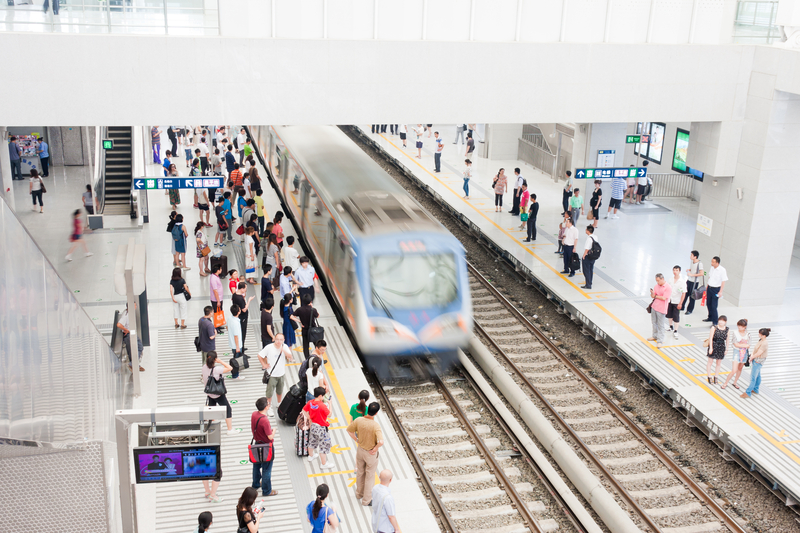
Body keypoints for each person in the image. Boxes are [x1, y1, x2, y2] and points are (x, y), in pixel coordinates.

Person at [347, 402, 384, 505]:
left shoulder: (358, 420)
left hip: (360, 450)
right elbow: (381, 442)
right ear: (376, 413)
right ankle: (367, 500)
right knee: (370, 476)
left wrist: (357, 440)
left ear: (367, 410)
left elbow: (349, 430)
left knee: (360, 472)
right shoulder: (375, 425)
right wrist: (375, 448)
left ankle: (359, 493)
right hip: (370, 453)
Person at [202, 352, 239, 435]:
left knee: (212, 408)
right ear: (215, 359)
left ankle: (214, 423)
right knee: (228, 409)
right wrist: (221, 361)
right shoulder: (216, 369)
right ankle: (229, 429)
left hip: (209, 392)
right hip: (218, 393)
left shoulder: (204, 367)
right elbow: (230, 368)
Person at [258, 333, 295, 415]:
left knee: (280, 390)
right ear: (274, 339)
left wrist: (283, 350)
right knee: (269, 393)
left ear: (283, 340)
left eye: (281, 340)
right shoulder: (269, 347)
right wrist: (264, 365)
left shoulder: (284, 346)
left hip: (281, 374)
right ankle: (269, 407)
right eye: (277, 339)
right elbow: (260, 355)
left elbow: (290, 357)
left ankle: (279, 403)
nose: (279, 341)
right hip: (272, 375)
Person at [251, 397, 278, 497]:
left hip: (257, 444)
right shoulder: (265, 420)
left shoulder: (254, 414)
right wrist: (274, 430)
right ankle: (267, 490)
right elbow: (270, 436)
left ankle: (256, 484)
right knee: (266, 469)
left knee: (256, 465)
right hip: (266, 447)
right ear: (266, 407)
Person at [304, 387, 334, 468]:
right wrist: (330, 404)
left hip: (313, 426)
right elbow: (330, 414)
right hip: (321, 428)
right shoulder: (322, 406)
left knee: (312, 441)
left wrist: (309, 417)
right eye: (323, 396)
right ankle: (324, 464)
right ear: (320, 396)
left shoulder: (310, 402)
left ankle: (311, 456)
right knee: (323, 445)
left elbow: (304, 410)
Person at [741, 328, 770, 398]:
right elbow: (756, 350)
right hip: (757, 359)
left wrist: (751, 357)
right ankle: (756, 389)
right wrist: (752, 356)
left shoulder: (764, 343)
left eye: (760, 334)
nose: (759, 334)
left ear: (764, 335)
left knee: (753, 377)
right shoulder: (761, 340)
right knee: (758, 375)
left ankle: (748, 392)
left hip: (758, 361)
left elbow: (759, 353)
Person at [723, 319, 750, 390]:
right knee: (734, 370)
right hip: (737, 352)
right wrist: (744, 345)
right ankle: (726, 383)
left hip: (744, 353)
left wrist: (740, 345)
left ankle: (735, 382)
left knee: (740, 368)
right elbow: (735, 344)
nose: (739, 327)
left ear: (745, 327)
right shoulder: (735, 333)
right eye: (739, 325)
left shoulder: (748, 334)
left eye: (741, 326)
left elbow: (748, 345)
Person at [117, 304, 145, 372]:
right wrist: (126, 330)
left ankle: (134, 365)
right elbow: (119, 324)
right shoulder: (126, 314)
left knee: (134, 351)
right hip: (129, 335)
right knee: (139, 348)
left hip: (132, 334)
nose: (136, 307)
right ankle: (132, 364)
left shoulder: (129, 313)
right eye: (134, 305)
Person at [293, 294, 320, 360]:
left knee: (305, 346)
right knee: (317, 344)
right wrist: (312, 307)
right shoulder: (313, 310)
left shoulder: (299, 310)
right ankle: (319, 358)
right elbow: (317, 316)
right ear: (311, 301)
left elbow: (292, 316)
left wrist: (300, 321)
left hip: (305, 330)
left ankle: (307, 359)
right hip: (313, 330)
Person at [648, 274, 672, 348]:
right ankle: (654, 336)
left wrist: (655, 296)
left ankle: (660, 340)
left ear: (662, 279)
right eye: (656, 281)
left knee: (660, 325)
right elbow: (653, 295)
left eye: (658, 280)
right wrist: (652, 293)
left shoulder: (668, 287)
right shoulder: (656, 286)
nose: (657, 282)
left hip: (661, 309)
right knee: (654, 322)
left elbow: (664, 298)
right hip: (654, 307)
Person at [706, 315, 731, 385]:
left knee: (719, 363)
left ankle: (716, 376)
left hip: (721, 346)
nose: (720, 322)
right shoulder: (714, 328)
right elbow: (710, 338)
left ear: (725, 322)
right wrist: (711, 348)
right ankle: (709, 376)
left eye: (722, 321)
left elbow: (727, 340)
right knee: (710, 362)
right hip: (714, 344)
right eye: (720, 320)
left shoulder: (727, 329)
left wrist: (727, 349)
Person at [704, 256, 727, 324]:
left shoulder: (722, 270)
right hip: (709, 288)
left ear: (717, 263)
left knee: (714, 306)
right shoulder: (712, 268)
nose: (711, 263)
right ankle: (710, 317)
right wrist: (707, 287)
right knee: (708, 304)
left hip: (716, 289)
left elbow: (723, 281)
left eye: (713, 262)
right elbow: (710, 277)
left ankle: (715, 321)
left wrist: (720, 291)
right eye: (711, 261)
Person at [232, 282, 255, 348]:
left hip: (238, 316)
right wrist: (249, 300)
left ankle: (240, 346)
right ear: (241, 289)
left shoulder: (234, 295)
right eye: (245, 288)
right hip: (242, 317)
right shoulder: (240, 298)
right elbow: (244, 309)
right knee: (243, 332)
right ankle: (241, 347)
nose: (246, 290)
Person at [226, 304, 244, 380]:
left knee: (235, 359)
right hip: (236, 345)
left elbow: (227, 327)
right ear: (238, 312)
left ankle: (236, 373)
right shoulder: (235, 323)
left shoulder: (230, 318)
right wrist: (237, 347)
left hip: (232, 343)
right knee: (236, 361)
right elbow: (236, 336)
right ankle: (236, 375)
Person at [685, 251, 703, 316]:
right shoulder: (692, 262)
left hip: (694, 282)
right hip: (689, 280)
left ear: (695, 257)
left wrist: (692, 274)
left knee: (692, 296)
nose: (690, 256)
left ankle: (689, 310)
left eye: (691, 255)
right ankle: (682, 306)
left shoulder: (699, 264)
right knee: (685, 294)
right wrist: (689, 269)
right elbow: (694, 269)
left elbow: (701, 273)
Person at [581, 225, 597, 290]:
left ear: (588, 231)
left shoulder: (589, 239)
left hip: (588, 256)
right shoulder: (595, 237)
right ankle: (590, 282)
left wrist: (584, 256)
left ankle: (588, 285)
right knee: (590, 269)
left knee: (586, 270)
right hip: (593, 256)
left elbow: (587, 249)